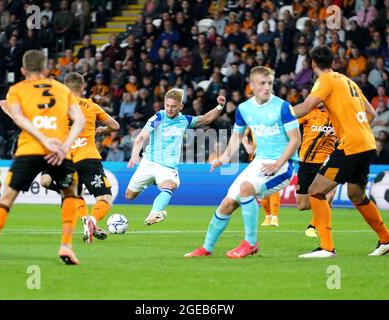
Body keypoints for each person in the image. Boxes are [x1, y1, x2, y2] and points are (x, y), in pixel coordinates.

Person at [0, 50, 85, 266]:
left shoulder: (17, 90)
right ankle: (66, 246)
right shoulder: (62, 89)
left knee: (6, 198)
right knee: (70, 192)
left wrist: (43, 139)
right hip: (59, 152)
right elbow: (78, 120)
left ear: (23, 70)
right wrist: (63, 146)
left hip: (30, 149)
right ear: (45, 69)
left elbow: (19, 118)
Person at [293, 46, 389, 258]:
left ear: (314, 64)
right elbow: (371, 112)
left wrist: (276, 116)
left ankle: (326, 248)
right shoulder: (347, 80)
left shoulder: (324, 80)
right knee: (356, 194)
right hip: (366, 142)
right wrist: (353, 128)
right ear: (332, 61)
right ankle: (386, 240)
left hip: (350, 145)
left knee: (315, 191)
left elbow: (305, 107)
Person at [185, 66, 301, 259]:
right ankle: (206, 248)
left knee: (246, 188)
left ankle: (251, 242)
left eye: (270, 83)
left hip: (283, 165)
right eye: (262, 83)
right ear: (252, 85)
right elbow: (237, 136)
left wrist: (278, 162)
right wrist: (223, 158)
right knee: (227, 204)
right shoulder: (244, 109)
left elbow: (295, 140)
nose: (267, 87)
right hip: (260, 162)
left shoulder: (283, 107)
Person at [39, 72, 120, 244]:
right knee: (104, 198)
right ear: (82, 88)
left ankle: (85, 220)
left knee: (72, 195)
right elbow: (114, 125)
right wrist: (102, 130)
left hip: (65, 160)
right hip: (88, 158)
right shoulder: (91, 106)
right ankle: (92, 220)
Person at [126, 88, 226, 225]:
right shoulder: (159, 117)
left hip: (167, 167)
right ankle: (154, 180)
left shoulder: (184, 120)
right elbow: (142, 136)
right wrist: (134, 154)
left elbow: (206, 119)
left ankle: (154, 213)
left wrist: (220, 106)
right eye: (167, 105)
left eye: (173, 106)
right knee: (129, 196)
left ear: (181, 106)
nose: (169, 109)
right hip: (148, 163)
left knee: (170, 185)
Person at [295, 105, 337, 238]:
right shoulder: (308, 112)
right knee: (302, 205)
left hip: (328, 161)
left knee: (328, 195)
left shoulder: (338, 115)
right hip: (307, 161)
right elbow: (290, 125)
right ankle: (322, 211)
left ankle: (313, 226)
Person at [241, 127, 282, 227]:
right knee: (260, 187)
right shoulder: (252, 120)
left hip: (272, 156)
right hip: (256, 158)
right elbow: (243, 136)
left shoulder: (274, 119)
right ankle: (268, 216)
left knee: (272, 184)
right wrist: (246, 145)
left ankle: (275, 217)